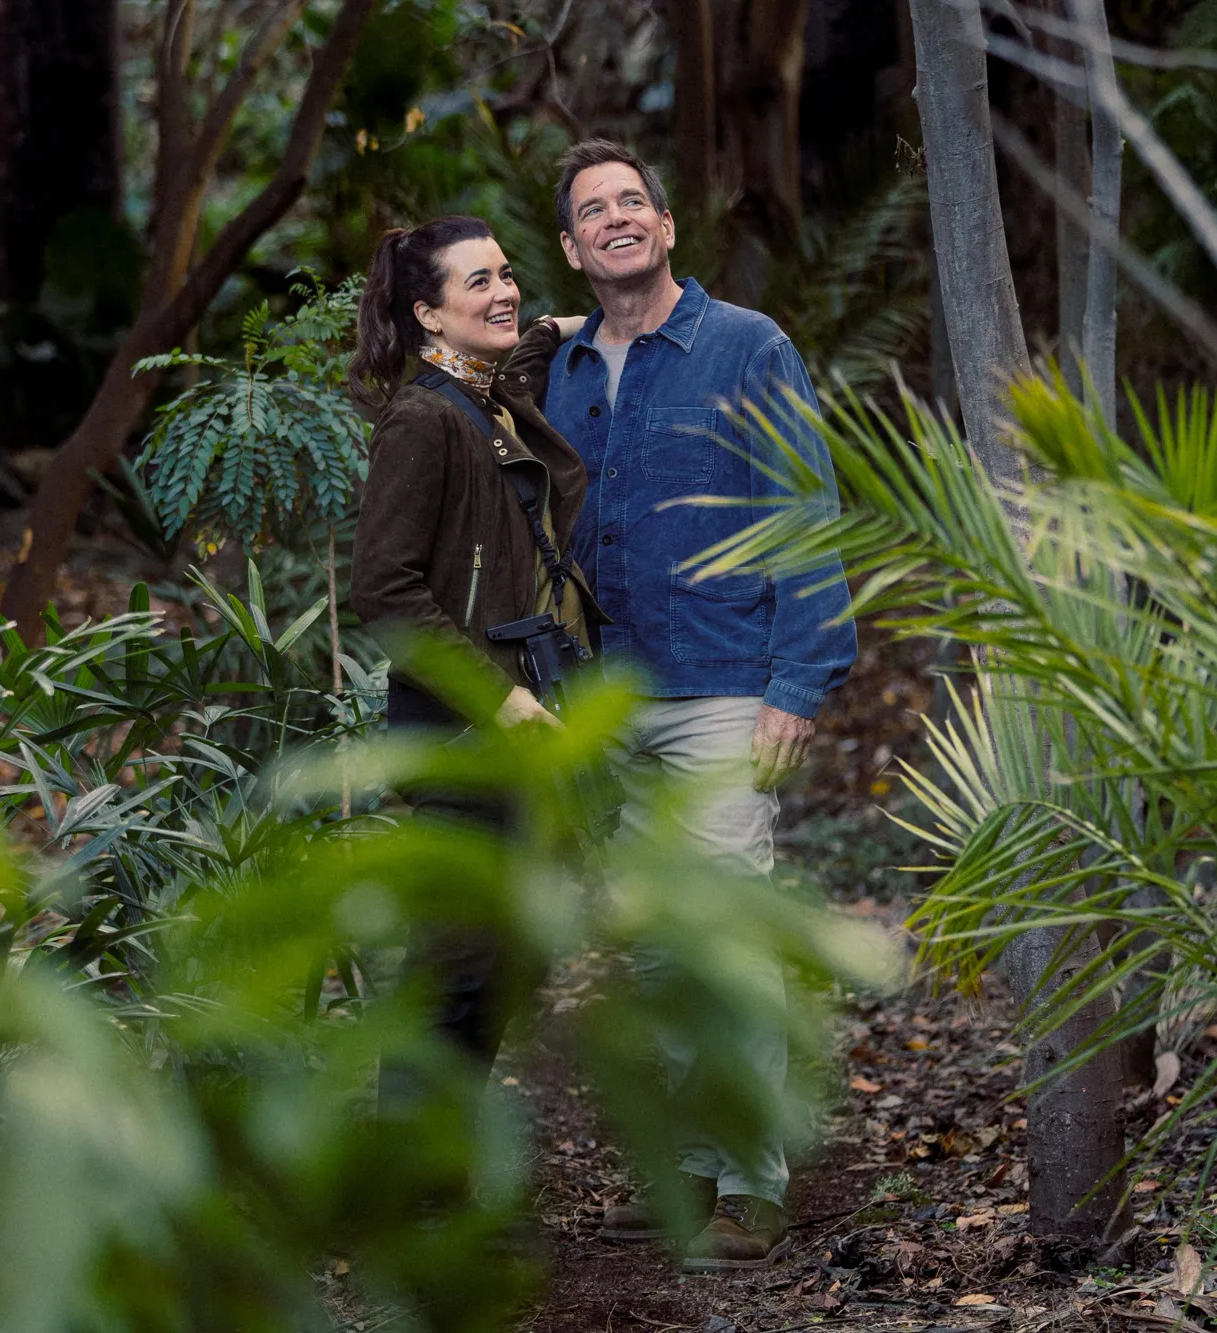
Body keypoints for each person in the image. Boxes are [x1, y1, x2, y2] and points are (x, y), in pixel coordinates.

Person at [542, 140, 858, 1271]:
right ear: (572, 248)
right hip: (607, 695)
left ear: (667, 227)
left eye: (634, 200)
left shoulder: (745, 346)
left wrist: (797, 684)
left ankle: (749, 1183)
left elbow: (804, 512)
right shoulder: (560, 369)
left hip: (725, 686)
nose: (617, 217)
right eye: (594, 210)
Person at [348, 214, 593, 1092]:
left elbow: (520, 358)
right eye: (478, 281)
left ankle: (443, 1159)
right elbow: (386, 590)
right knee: (452, 978)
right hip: (460, 736)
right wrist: (502, 697)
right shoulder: (423, 420)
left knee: (503, 971)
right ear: (428, 314)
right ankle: (412, 1169)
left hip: (514, 738)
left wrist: (563, 325)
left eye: (507, 273)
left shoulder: (488, 397)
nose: (504, 291)